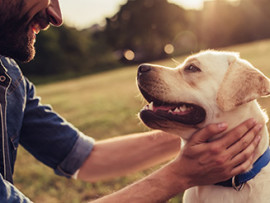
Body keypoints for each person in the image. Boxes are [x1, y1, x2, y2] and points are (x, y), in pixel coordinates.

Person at [0, 0, 262, 202]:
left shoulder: (10, 78)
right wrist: (179, 175)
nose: (56, 16)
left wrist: (213, 135)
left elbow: (86, 158)